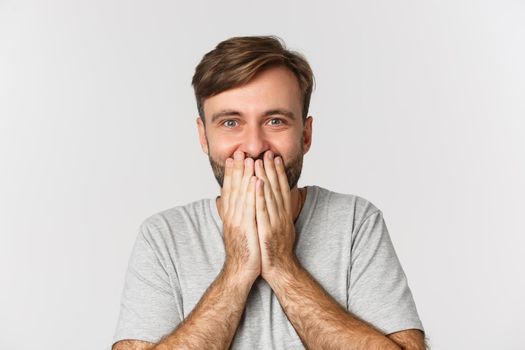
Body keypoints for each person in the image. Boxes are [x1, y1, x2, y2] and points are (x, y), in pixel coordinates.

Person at [111, 35, 427, 350]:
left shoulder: (355, 221)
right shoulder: (164, 236)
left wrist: (281, 264)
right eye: (231, 122)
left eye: (275, 121)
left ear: (305, 135)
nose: (253, 146)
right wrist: (238, 267)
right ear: (204, 137)